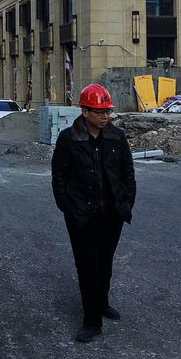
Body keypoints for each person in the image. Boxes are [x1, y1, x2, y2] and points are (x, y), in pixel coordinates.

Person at [51, 83, 136, 343]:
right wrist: (67, 206)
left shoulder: (117, 137)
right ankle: (91, 320)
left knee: (105, 262)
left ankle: (102, 302)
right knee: (87, 267)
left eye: (107, 111)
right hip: (82, 215)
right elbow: (59, 175)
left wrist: (126, 203)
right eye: (99, 112)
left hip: (111, 214)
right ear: (85, 112)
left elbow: (127, 173)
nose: (105, 116)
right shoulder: (68, 138)